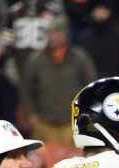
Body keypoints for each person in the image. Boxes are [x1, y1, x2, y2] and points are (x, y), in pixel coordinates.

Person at [21, 15, 97, 145]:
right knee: (41, 163)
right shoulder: (36, 60)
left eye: (57, 33)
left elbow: (91, 88)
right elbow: (26, 89)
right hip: (43, 124)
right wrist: (31, 114)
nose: (53, 37)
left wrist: (85, 115)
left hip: (71, 124)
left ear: (65, 35)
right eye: (50, 33)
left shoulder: (80, 58)